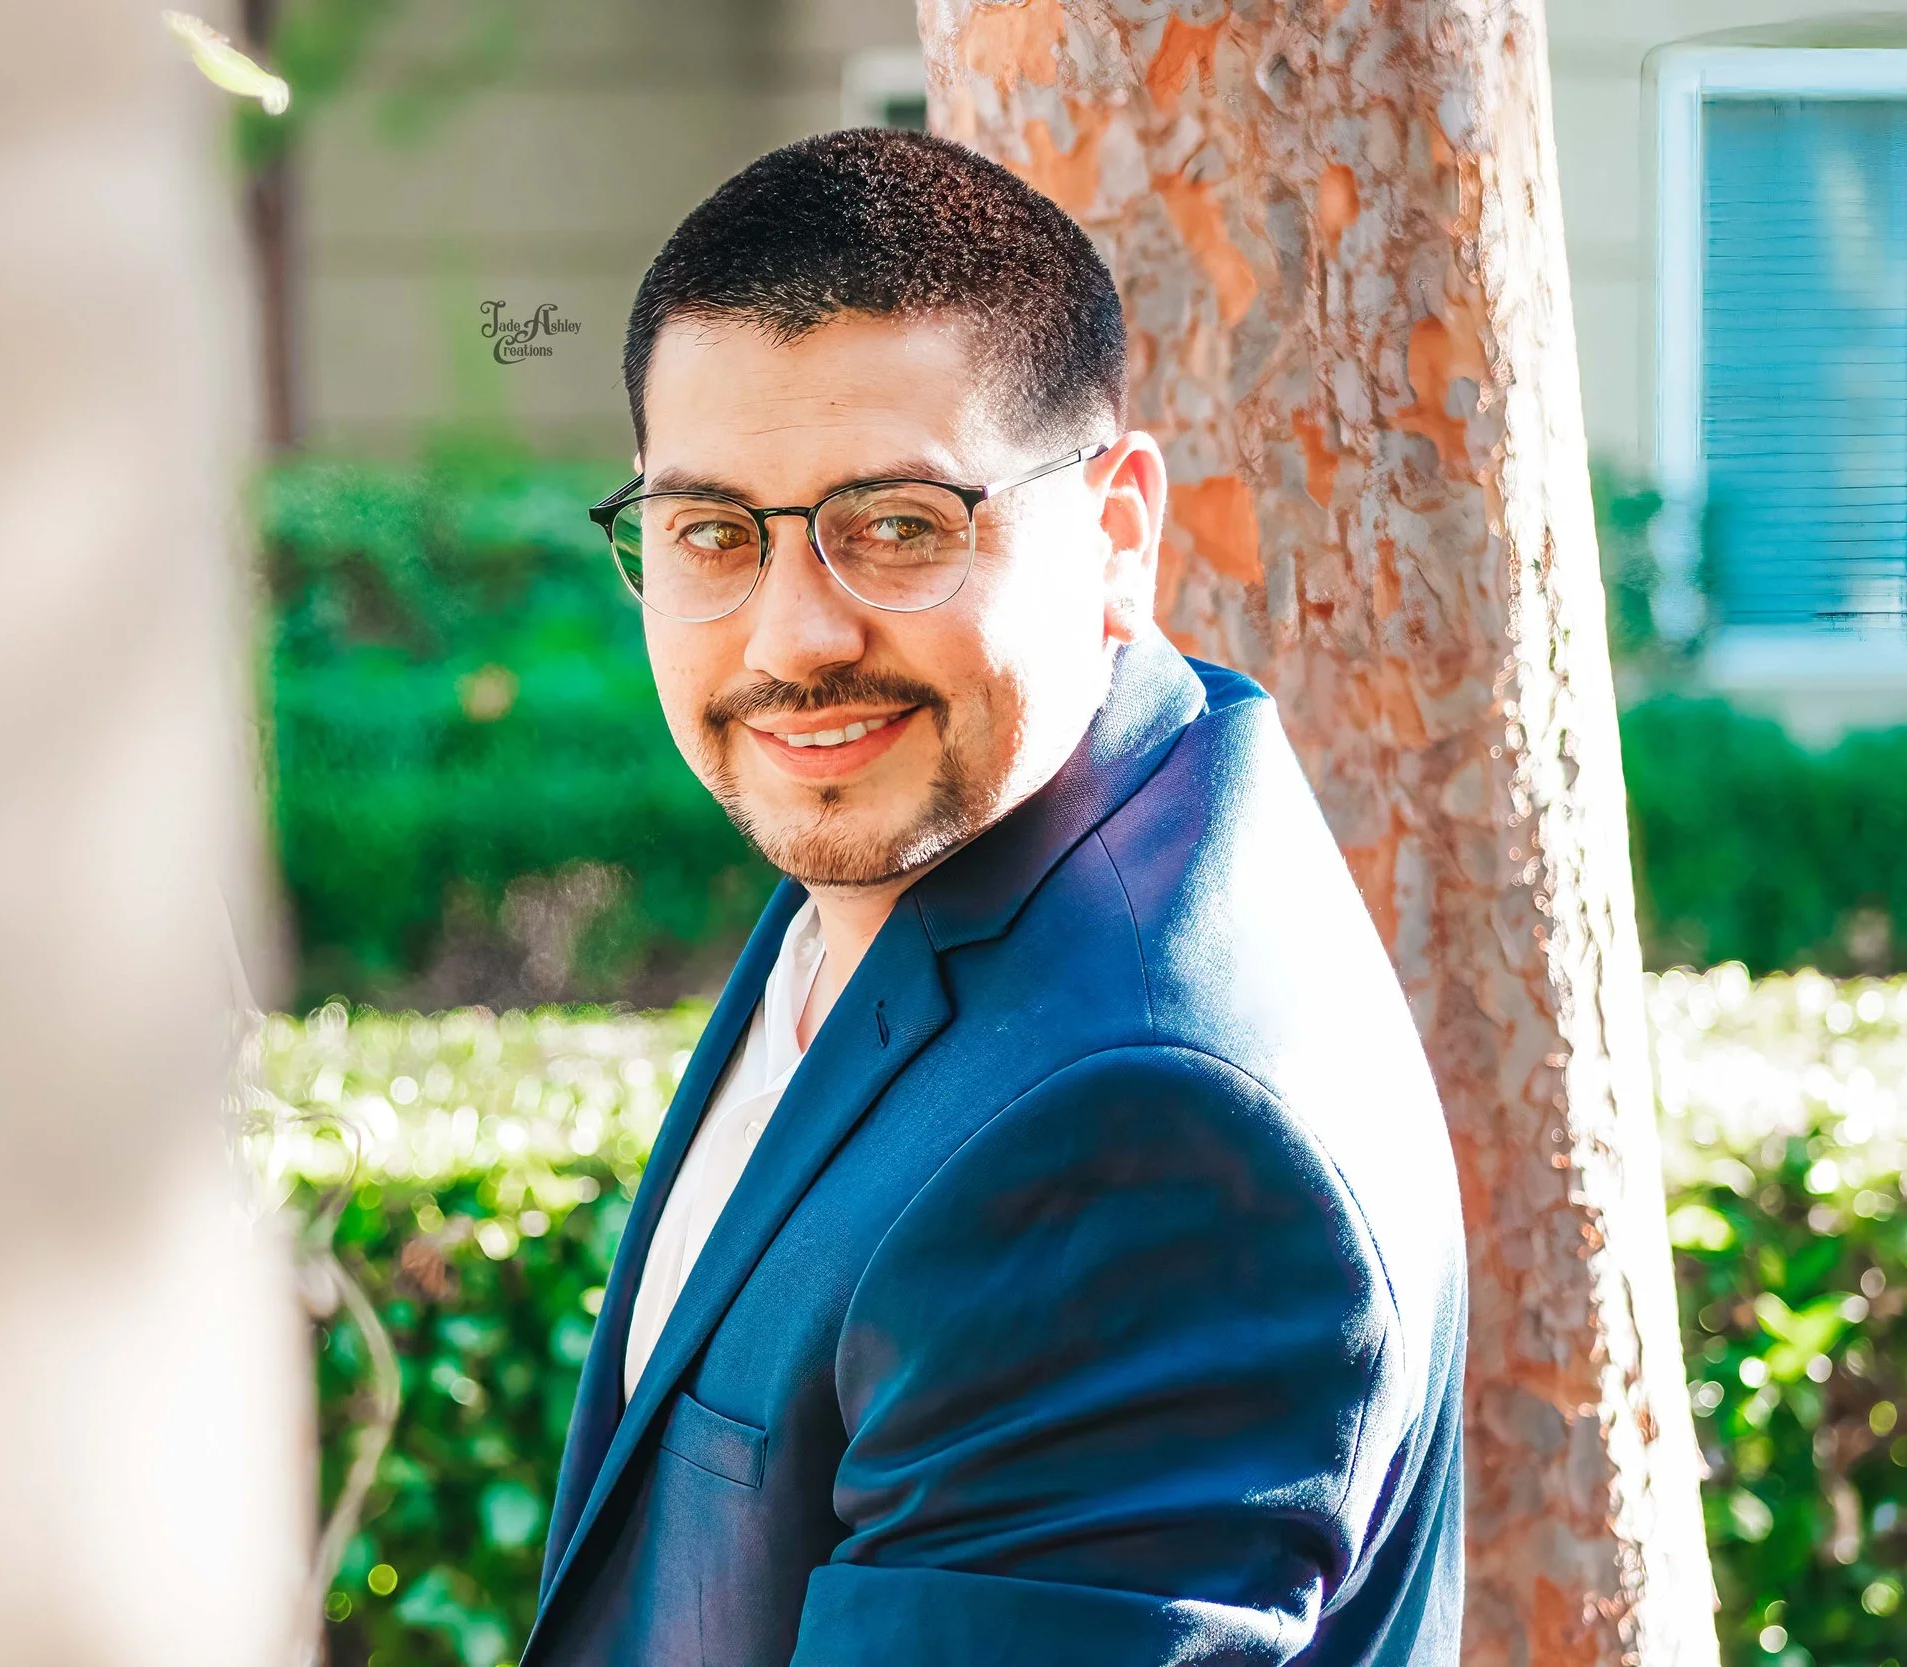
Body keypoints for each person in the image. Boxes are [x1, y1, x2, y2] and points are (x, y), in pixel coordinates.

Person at [524, 129, 1466, 1666]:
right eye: (711, 532)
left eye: (900, 524)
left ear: (1116, 533)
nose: (795, 635)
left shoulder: (1142, 1139)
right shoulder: (939, 823)